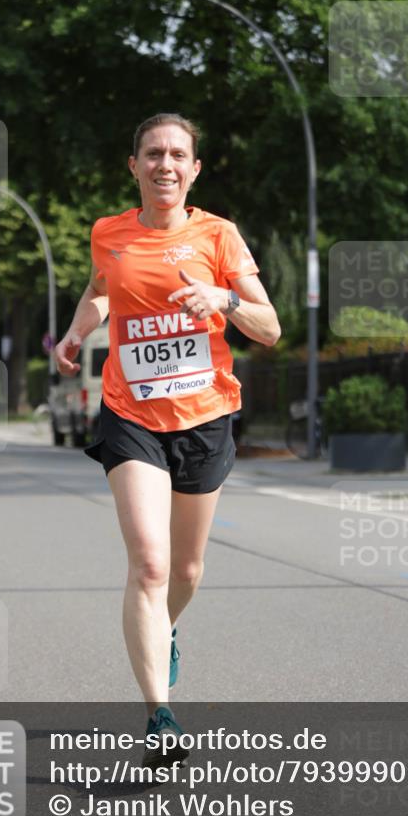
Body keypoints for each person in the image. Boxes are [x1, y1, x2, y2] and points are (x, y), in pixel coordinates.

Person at [54, 113, 280, 767]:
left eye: (178, 155)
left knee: (185, 570)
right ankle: (159, 715)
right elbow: (101, 290)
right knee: (150, 565)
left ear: (194, 169)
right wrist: (76, 332)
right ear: (134, 165)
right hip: (131, 414)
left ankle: (165, 628)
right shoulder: (109, 233)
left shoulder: (218, 235)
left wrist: (222, 299)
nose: (165, 164)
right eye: (153, 153)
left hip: (205, 416)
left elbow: (269, 327)